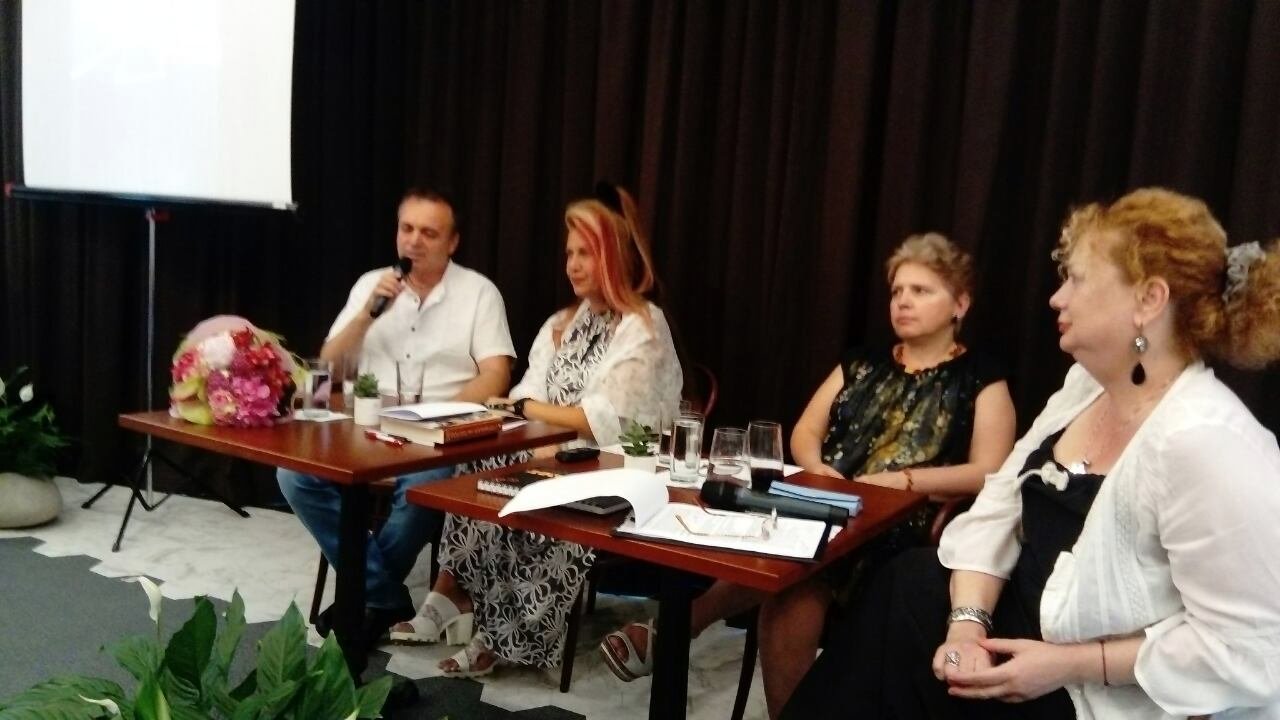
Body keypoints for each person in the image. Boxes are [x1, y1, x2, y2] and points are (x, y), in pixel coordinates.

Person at [783, 187, 1280, 719]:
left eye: (1078, 280)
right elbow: (999, 505)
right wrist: (967, 626)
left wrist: (1070, 665)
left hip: (1093, 690)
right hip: (1017, 628)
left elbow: (1249, 652)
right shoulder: (1085, 387)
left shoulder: (1207, 442)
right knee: (906, 586)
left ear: (1148, 300)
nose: (1057, 299)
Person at [600, 234, 1018, 718]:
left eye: (920, 291)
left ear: (960, 304)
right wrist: (819, 471)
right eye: (897, 291)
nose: (903, 301)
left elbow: (991, 472)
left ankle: (678, 627)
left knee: (795, 576)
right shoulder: (861, 362)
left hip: (898, 525)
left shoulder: (980, 376)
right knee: (767, 542)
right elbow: (805, 431)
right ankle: (690, 635)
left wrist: (904, 481)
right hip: (819, 500)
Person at [388, 183, 683, 677]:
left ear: (613, 256)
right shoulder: (562, 323)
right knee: (483, 461)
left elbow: (599, 418)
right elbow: (524, 394)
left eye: (585, 253)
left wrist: (530, 409)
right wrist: (524, 413)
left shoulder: (642, 324)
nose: (573, 265)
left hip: (612, 470)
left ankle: (498, 632)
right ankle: (452, 593)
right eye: (569, 253)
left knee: (524, 482)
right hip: (547, 455)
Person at [277, 187, 516, 645]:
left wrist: (437, 418)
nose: (414, 241)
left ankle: (361, 601)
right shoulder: (372, 284)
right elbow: (330, 366)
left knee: (426, 488)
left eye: (429, 233)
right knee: (293, 476)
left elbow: (496, 374)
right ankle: (380, 597)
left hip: (438, 432)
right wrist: (367, 315)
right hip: (365, 425)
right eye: (407, 229)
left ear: (452, 242)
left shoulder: (478, 293)